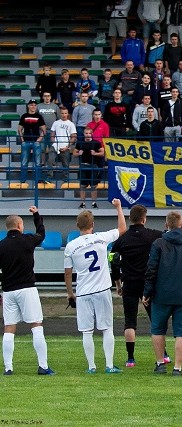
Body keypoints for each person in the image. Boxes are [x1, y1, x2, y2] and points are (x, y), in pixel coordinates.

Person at [65, 199, 127, 374]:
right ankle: (108, 365)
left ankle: (92, 366)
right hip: (102, 290)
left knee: (86, 331)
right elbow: (122, 229)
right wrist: (119, 208)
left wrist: (70, 293)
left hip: (83, 292)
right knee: (107, 328)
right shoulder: (100, 238)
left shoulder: (71, 246)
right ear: (92, 224)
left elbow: (68, 273)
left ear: (78, 226)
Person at [143, 211, 182, 375]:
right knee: (181, 332)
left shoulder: (158, 244)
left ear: (166, 225)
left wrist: (147, 292)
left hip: (161, 295)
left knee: (157, 329)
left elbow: (151, 270)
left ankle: (160, 363)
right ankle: (177, 367)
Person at [0, 206, 54, 376]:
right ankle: (43, 366)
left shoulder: (1, 246)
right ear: (19, 224)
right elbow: (42, 234)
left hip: (8, 291)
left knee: (9, 328)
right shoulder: (28, 240)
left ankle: (8, 368)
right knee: (36, 325)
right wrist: (37, 215)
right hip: (27, 289)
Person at [110, 204, 165, 368]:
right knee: (154, 319)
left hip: (129, 282)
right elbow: (168, 238)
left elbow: (113, 262)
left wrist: (118, 283)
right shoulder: (152, 235)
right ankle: (163, 353)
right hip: (147, 284)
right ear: (144, 218)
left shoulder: (122, 239)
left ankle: (131, 358)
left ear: (130, 219)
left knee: (130, 321)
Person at [73, 128, 104, 209]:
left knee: (93, 186)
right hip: (83, 166)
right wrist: (78, 153)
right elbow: (74, 153)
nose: (87, 135)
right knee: (82, 186)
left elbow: (102, 153)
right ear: (84, 134)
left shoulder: (96, 143)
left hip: (93, 166)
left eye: (89, 133)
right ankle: (82, 203)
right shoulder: (80, 143)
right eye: (86, 133)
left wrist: (95, 153)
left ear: (92, 134)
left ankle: (94, 203)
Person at [17, 100, 46, 184]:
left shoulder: (39, 116)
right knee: (24, 162)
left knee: (38, 162)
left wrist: (39, 140)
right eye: (31, 105)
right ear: (28, 106)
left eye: (34, 105)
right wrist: (22, 140)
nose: (33, 106)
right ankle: (23, 180)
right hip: (26, 141)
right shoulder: (24, 116)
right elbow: (19, 129)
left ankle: (38, 179)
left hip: (36, 142)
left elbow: (43, 130)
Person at [48, 107, 77, 181]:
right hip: (55, 145)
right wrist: (54, 142)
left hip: (65, 145)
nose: (64, 115)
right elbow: (52, 134)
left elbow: (73, 137)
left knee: (65, 163)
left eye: (65, 113)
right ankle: (49, 176)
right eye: (62, 113)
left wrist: (68, 146)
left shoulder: (71, 124)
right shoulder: (56, 122)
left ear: (68, 114)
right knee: (50, 160)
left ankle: (65, 177)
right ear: (60, 114)